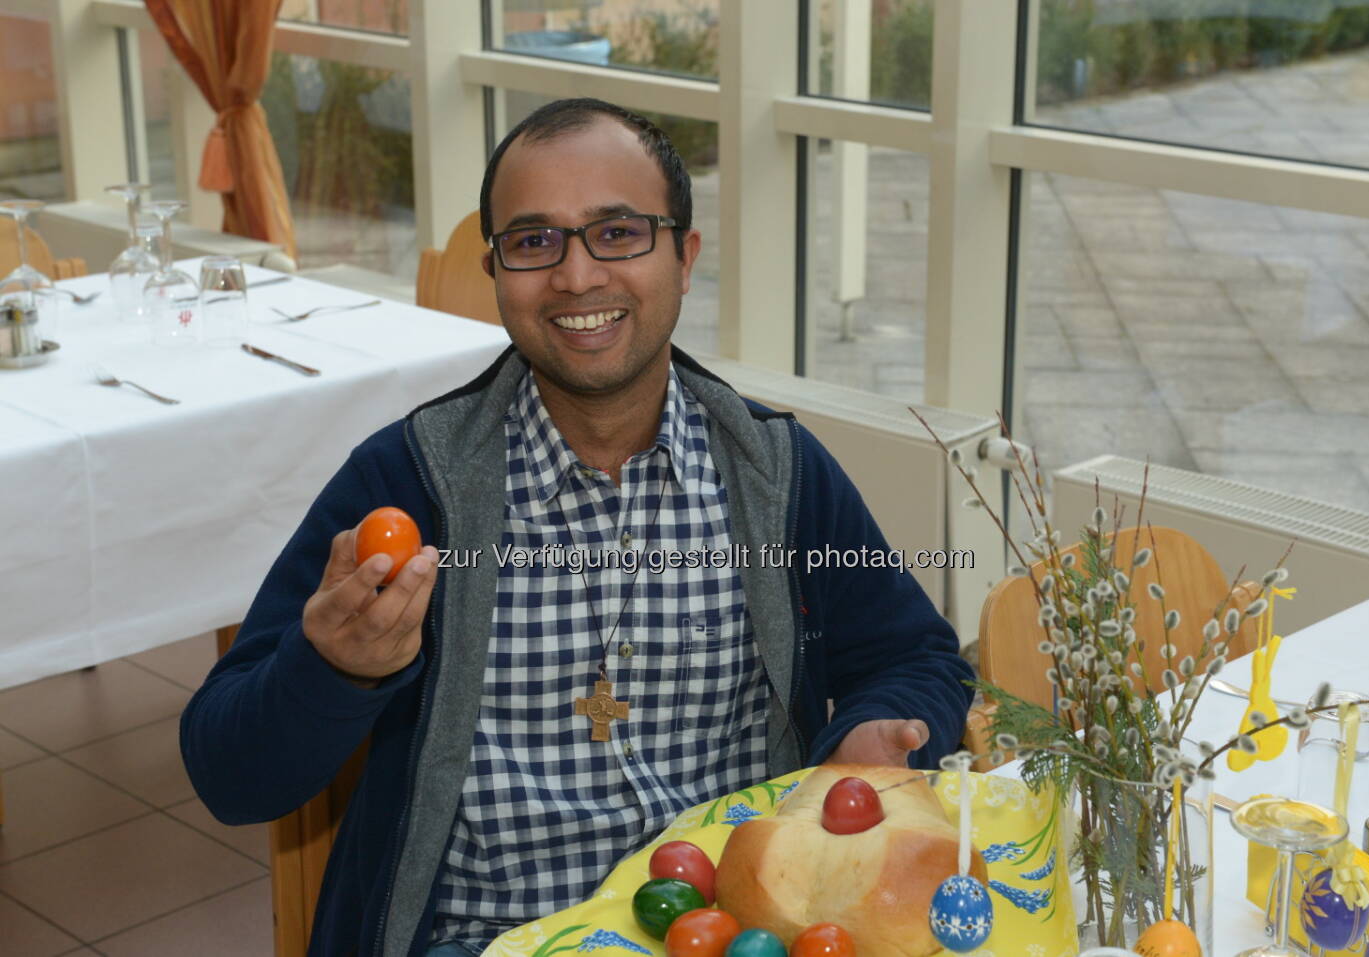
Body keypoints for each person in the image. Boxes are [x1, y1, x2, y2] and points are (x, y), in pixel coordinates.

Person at [180, 97, 973, 957]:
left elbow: (914, 655)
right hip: (486, 937)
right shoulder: (409, 486)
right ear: (496, 271)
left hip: (734, 927)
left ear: (685, 255)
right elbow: (230, 772)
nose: (577, 275)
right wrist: (332, 668)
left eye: (618, 232)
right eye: (533, 242)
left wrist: (873, 725)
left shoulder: (774, 473)